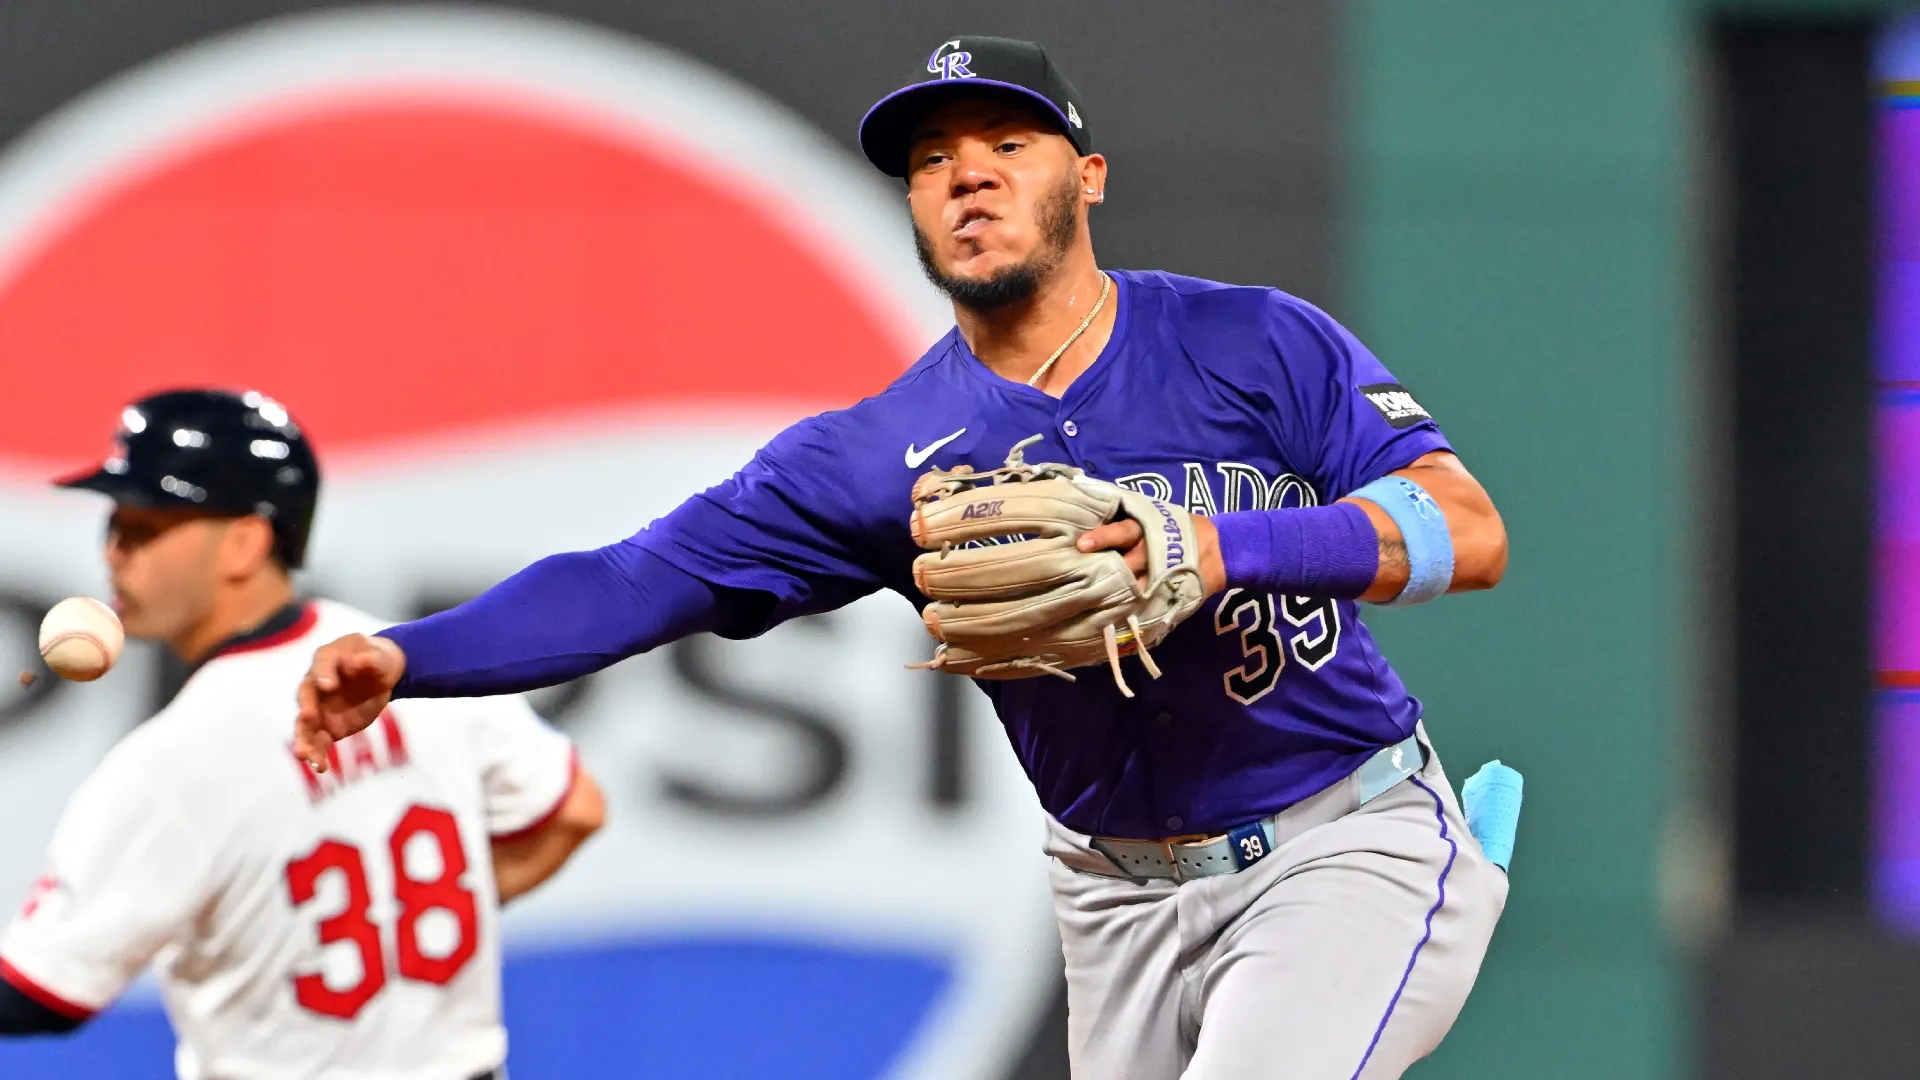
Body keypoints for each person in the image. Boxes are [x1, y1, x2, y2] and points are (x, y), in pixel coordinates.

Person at [295, 36, 1511, 1079]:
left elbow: (1466, 528)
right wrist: (409, 658)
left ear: (1086, 178)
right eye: (932, 161)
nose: (966, 177)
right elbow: (630, 580)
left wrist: (1217, 545)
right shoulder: (876, 457)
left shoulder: (1247, 340)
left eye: (1005, 145)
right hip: (1115, 899)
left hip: (1343, 836)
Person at [0, 389, 604, 1080]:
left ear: (246, 541)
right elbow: (578, 808)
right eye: (114, 521)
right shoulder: (402, 662)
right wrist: (392, 922)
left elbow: (37, 994)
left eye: (147, 525)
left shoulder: (173, 759)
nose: (114, 551)